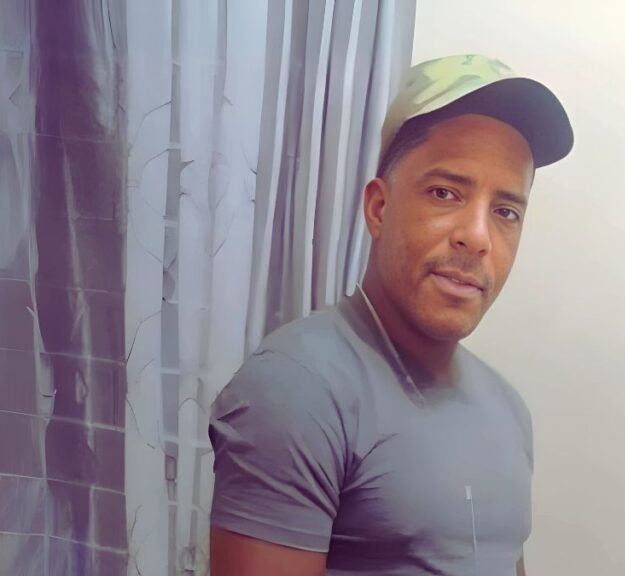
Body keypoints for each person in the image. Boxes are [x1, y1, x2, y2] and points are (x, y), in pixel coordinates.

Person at [208, 53, 574, 575]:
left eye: (505, 211)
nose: (477, 236)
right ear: (379, 208)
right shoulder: (296, 391)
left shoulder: (508, 409)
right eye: (445, 192)